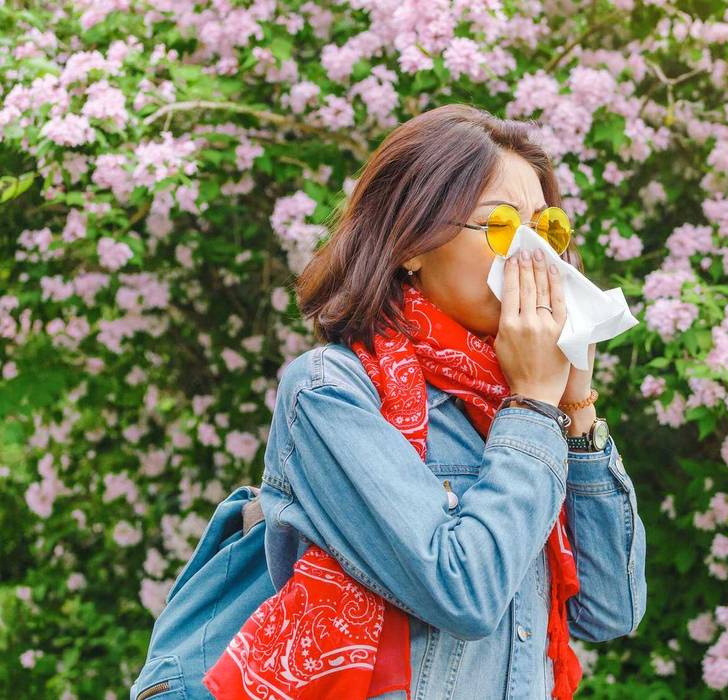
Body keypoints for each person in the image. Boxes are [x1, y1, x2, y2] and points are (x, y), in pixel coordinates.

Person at [205, 104, 647, 700]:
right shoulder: (331, 392)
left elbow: (611, 610)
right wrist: (537, 408)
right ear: (411, 242)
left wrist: (576, 411)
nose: (533, 256)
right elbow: (462, 591)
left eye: (545, 231)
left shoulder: (515, 407)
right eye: (499, 227)